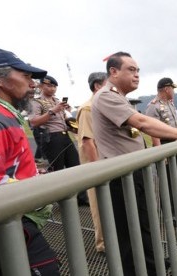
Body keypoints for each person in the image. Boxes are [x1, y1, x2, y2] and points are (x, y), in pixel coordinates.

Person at [91, 51, 177, 276]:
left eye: (138, 71)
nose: (137, 75)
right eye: (131, 70)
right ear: (113, 72)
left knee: (143, 223)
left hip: (132, 172)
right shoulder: (106, 96)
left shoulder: (120, 97)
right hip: (121, 175)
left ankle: (152, 266)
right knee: (128, 231)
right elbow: (143, 122)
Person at [0, 47, 60, 275]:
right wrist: (35, 188)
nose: (33, 84)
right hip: (3, 226)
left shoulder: (5, 114)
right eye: (26, 76)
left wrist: (33, 176)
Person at [28, 75, 89, 205]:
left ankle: (82, 198)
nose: (52, 88)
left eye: (54, 86)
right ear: (41, 86)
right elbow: (34, 122)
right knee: (58, 170)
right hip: (52, 138)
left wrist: (71, 124)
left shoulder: (57, 101)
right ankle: (62, 201)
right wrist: (52, 111)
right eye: (49, 85)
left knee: (76, 166)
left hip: (65, 136)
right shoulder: (36, 102)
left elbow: (63, 121)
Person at [76, 72, 107, 253]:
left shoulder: (103, 107)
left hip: (107, 163)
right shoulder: (88, 109)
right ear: (97, 86)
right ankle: (103, 244)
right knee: (99, 205)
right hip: (97, 166)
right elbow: (88, 142)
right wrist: (98, 170)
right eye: (108, 85)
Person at [145, 77, 177, 146]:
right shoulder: (153, 106)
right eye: (172, 89)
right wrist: (160, 151)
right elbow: (154, 131)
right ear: (167, 89)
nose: (174, 92)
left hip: (175, 142)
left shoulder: (170, 103)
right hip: (164, 145)